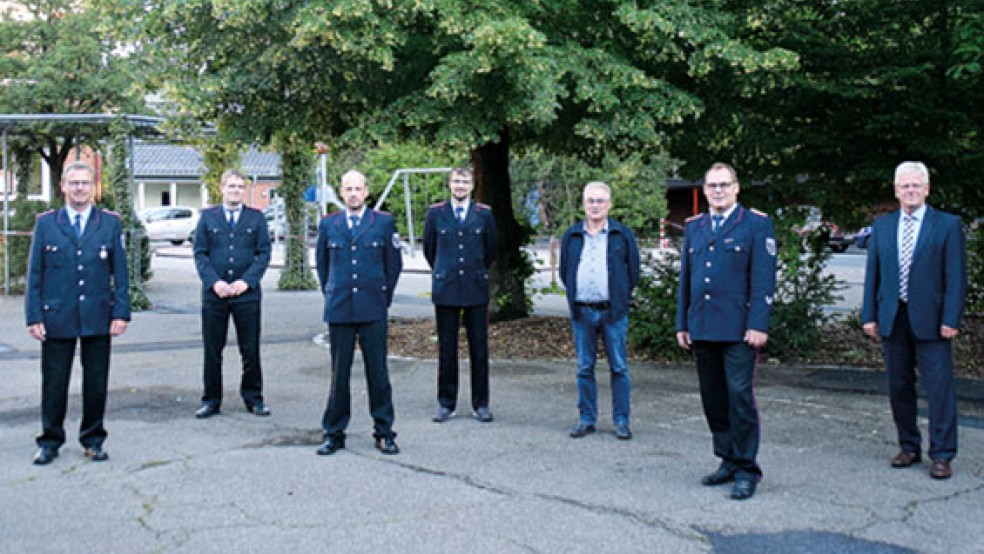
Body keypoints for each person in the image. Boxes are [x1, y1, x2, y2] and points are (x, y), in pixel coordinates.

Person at [675, 162, 777, 500]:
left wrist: (758, 323)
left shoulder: (755, 225)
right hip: (703, 325)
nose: (718, 191)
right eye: (712, 186)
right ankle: (728, 459)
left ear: (736, 187)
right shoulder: (695, 226)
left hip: (739, 328)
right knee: (713, 398)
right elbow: (686, 279)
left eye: (724, 185)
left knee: (739, 396)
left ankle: (747, 468)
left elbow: (763, 279)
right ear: (704, 190)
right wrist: (682, 322)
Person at [861, 161, 967, 480]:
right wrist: (869, 315)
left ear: (927, 189)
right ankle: (908, 446)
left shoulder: (947, 225)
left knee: (939, 389)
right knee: (899, 386)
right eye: (905, 186)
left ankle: (942, 454)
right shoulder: (882, 226)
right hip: (893, 317)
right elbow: (874, 274)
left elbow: (956, 277)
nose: (910, 191)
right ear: (896, 191)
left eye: (916, 185)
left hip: (933, 320)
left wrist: (951, 318)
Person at [25, 161, 131, 465]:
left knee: (96, 383)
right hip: (57, 315)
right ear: (63, 186)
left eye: (85, 183)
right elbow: (35, 274)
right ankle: (50, 441)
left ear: (93, 186)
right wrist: (34, 317)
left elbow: (121, 273)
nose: (79, 188)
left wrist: (121, 313)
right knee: (54, 383)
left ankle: (93, 439)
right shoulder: (47, 224)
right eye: (74, 183)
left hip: (98, 315)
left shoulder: (108, 224)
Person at [315, 170, 403, 456]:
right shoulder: (329, 224)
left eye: (358, 189)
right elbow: (323, 266)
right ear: (341, 192)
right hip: (340, 308)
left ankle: (384, 432)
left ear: (366, 192)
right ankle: (334, 433)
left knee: (378, 374)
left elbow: (393, 265)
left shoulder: (383, 222)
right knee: (339, 375)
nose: (353, 194)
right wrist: (332, 294)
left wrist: (382, 298)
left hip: (372, 307)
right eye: (348, 189)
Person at [559, 181, 641, 441]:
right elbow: (565, 271)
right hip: (582, 312)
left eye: (600, 201)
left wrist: (619, 298)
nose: (595, 206)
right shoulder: (572, 235)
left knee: (619, 367)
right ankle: (587, 419)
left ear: (609, 204)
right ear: (584, 204)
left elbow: (633, 272)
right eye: (591, 201)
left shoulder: (622, 235)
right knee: (585, 367)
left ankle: (621, 420)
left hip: (613, 312)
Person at [192, 169, 272, 419]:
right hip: (214, 295)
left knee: (250, 349)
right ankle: (211, 400)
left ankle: (254, 398)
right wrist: (213, 282)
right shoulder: (208, 217)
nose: (236, 191)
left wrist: (247, 282)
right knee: (212, 350)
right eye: (231, 186)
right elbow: (200, 253)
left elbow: (263, 254)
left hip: (246, 295)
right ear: (222, 189)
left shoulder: (256, 218)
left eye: (239, 187)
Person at [423, 167, 498, 423]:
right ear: (449, 184)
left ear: (472, 185)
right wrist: (445, 270)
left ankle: (481, 404)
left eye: (465, 181)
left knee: (479, 350)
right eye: (456, 181)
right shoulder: (436, 213)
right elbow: (430, 249)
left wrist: (476, 270)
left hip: (475, 287)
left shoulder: (483, 214)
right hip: (446, 288)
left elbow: (491, 249)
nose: (460, 186)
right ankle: (446, 403)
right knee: (447, 349)